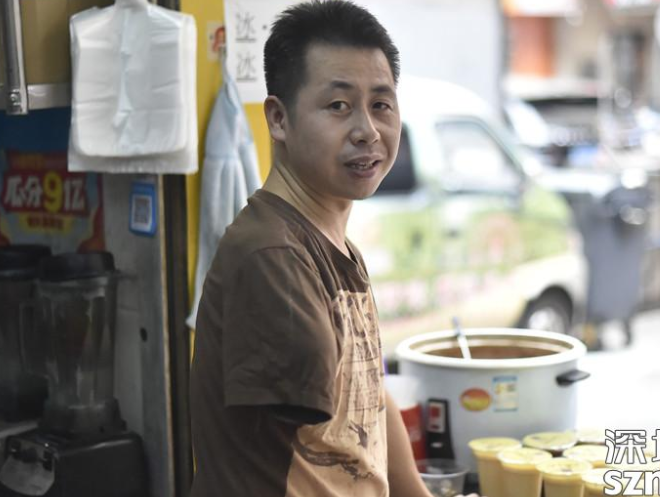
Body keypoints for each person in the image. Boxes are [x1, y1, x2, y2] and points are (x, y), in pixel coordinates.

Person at [190, 2, 477, 496]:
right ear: (278, 119)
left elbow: (370, 403)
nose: (368, 130)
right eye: (339, 106)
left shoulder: (330, 243)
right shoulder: (275, 260)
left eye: (381, 105)